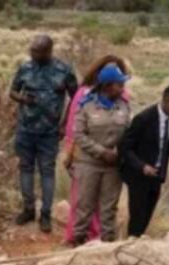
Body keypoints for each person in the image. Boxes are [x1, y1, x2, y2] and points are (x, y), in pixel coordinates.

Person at [10, 35, 79, 232]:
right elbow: (12, 92)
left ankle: (46, 215)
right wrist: (23, 99)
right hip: (25, 129)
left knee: (47, 172)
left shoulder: (64, 70)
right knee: (25, 168)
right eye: (31, 51)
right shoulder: (25, 68)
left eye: (37, 52)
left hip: (50, 132)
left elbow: (76, 100)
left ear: (48, 51)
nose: (32, 54)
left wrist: (65, 125)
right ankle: (28, 209)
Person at [61, 55, 130, 244]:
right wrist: (101, 152)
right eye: (119, 84)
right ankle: (77, 242)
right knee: (84, 206)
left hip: (113, 166)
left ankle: (107, 245)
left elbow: (127, 132)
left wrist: (118, 152)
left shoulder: (124, 106)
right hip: (88, 164)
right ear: (107, 86)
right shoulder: (86, 105)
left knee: (109, 208)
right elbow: (79, 134)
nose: (123, 87)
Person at [119, 84, 169, 239]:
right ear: (167, 100)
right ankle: (131, 248)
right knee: (137, 217)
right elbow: (125, 148)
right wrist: (142, 166)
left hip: (156, 176)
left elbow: (166, 143)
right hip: (139, 177)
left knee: (146, 216)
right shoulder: (143, 118)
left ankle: (138, 245)